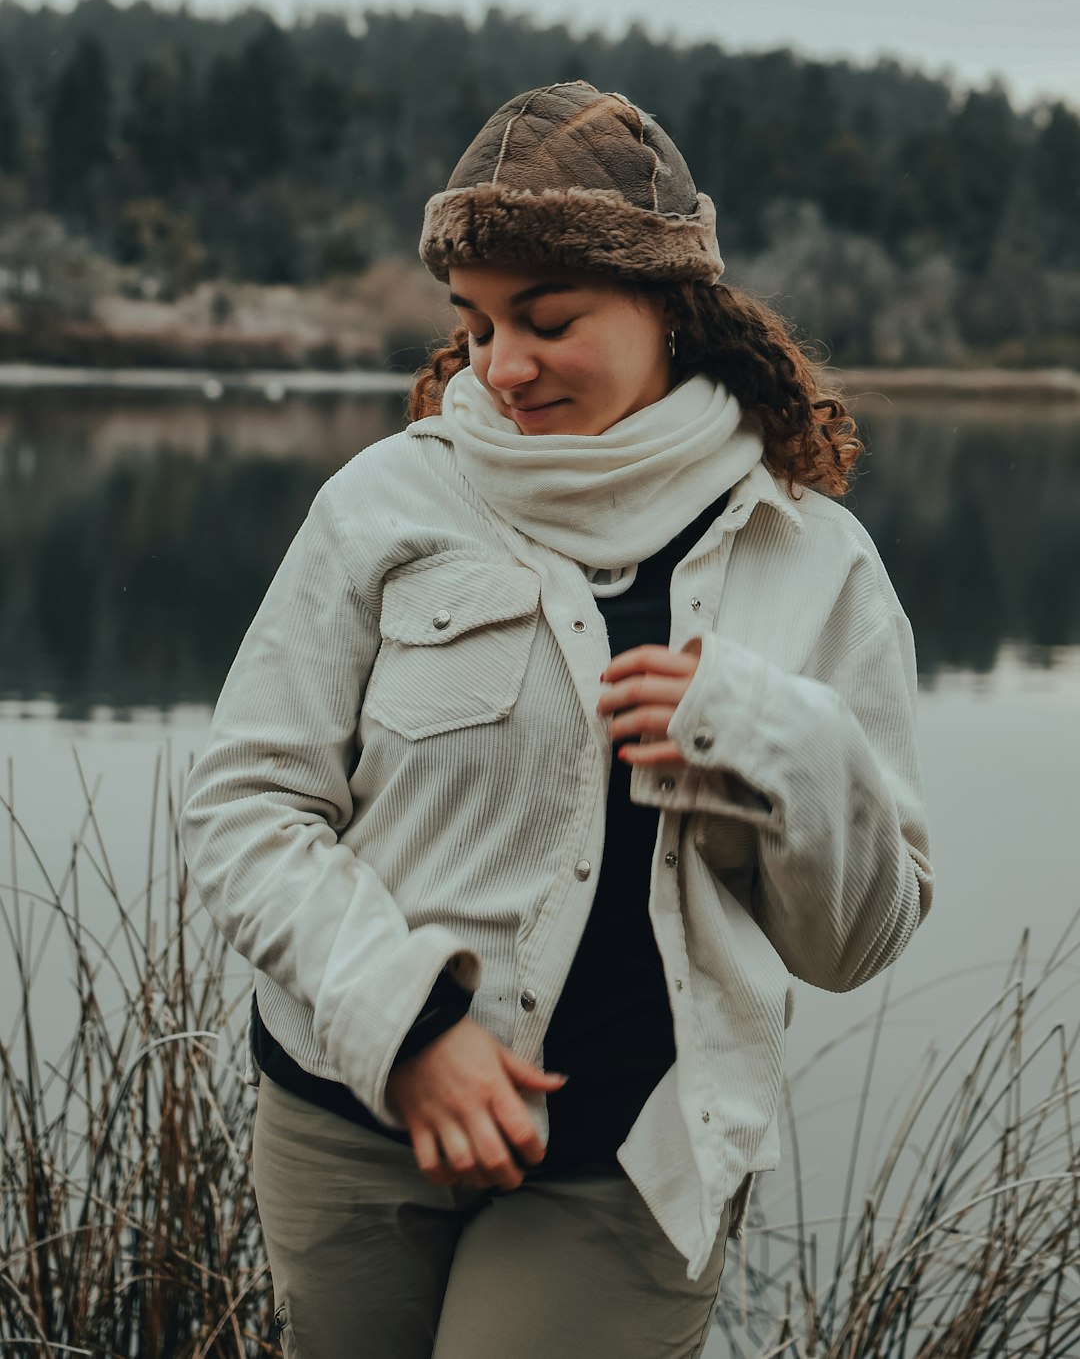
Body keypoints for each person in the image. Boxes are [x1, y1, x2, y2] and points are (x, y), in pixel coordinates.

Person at [181, 81, 933, 1359]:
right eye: (474, 325)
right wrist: (409, 1032)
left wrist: (782, 739)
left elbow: (857, 942)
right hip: (346, 1120)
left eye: (548, 320)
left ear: (671, 310)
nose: (502, 367)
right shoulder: (384, 503)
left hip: (627, 1163)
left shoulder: (816, 564)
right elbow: (246, 809)